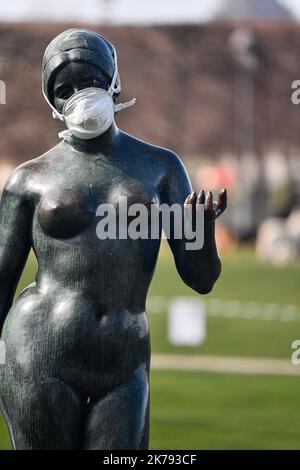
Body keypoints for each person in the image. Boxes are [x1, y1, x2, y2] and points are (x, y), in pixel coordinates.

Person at [0, 28, 227, 450]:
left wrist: (201, 228)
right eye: (64, 88)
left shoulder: (160, 167)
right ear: (52, 101)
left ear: (113, 79)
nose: (79, 94)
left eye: (89, 80)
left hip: (123, 361)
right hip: (36, 353)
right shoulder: (28, 179)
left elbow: (201, 278)